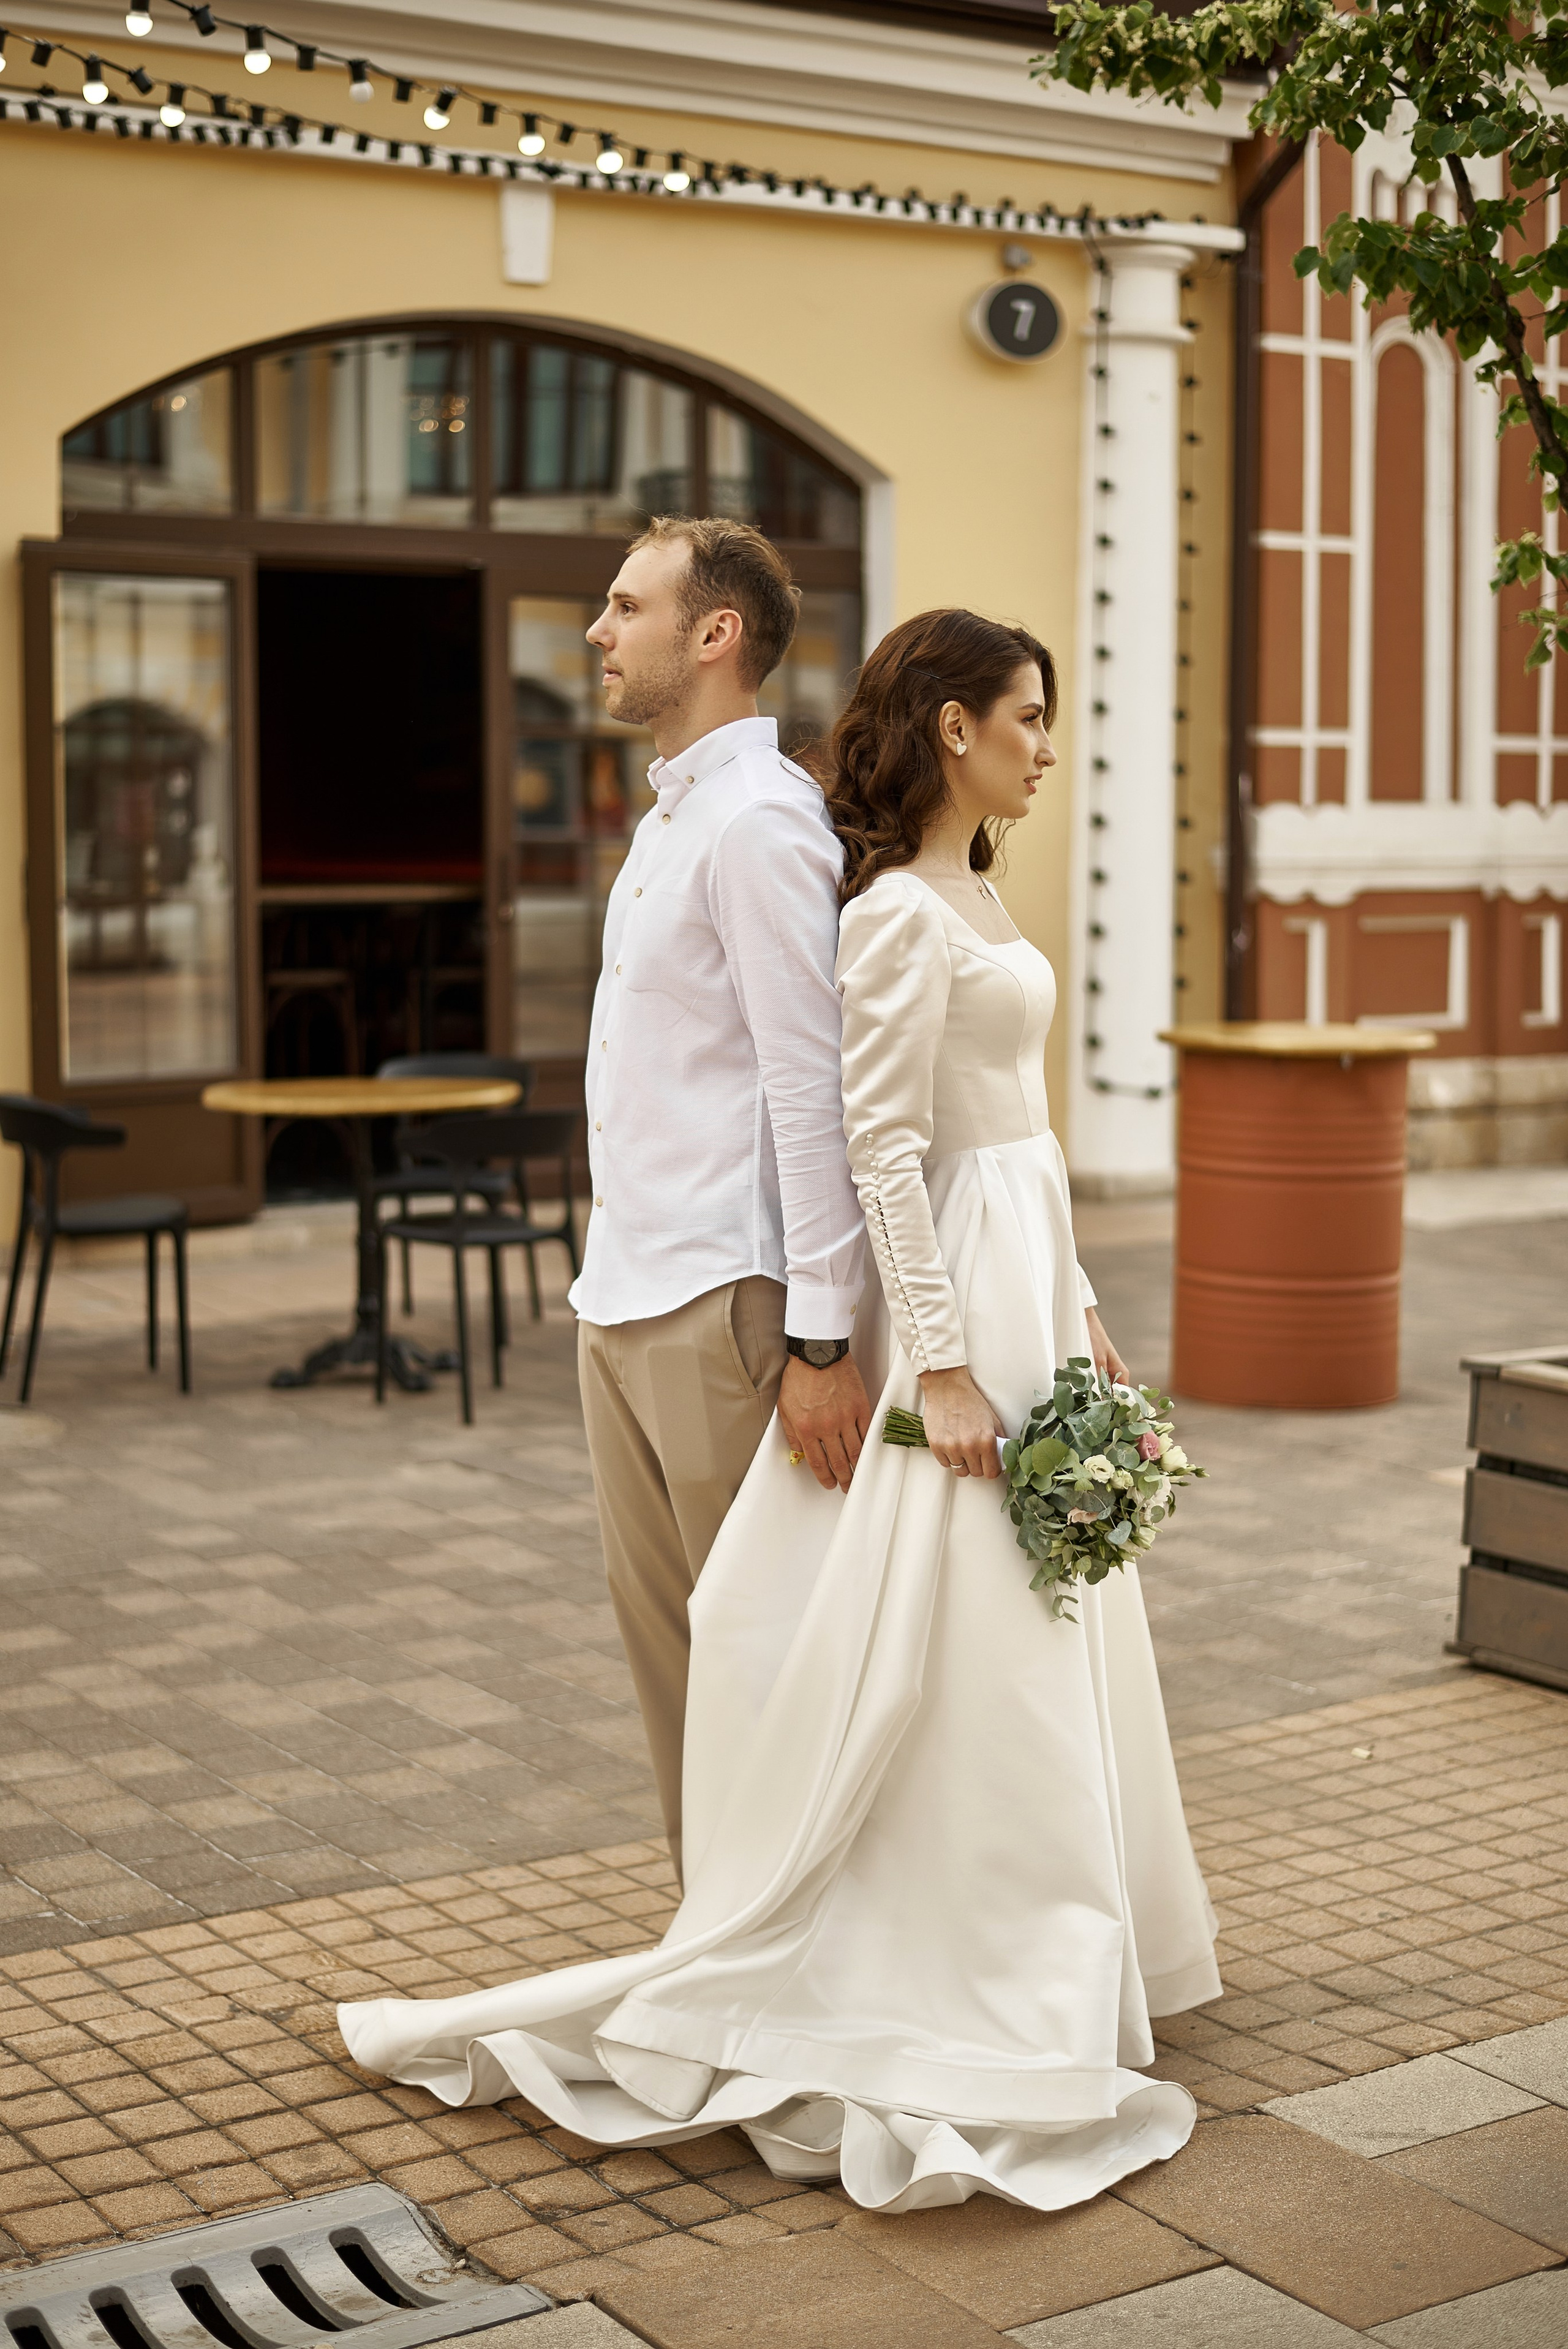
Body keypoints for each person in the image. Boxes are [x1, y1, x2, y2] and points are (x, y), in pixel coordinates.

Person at [341, 607, 1220, 2216]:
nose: (1045, 741)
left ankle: (1076, 1916)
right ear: (954, 728)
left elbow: (1020, 1123)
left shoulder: (979, 884)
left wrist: (1081, 1309)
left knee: (1040, 1596)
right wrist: (937, 1362)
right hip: (954, 1286)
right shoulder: (886, 911)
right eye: (1027, 715)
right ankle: (942, 1928)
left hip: (1025, 1277)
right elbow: (882, 1141)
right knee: (950, 1606)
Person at [565, 516, 870, 1885]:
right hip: (622, 1291)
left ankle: (794, 1954)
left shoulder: (756, 824)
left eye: (625, 606)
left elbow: (814, 1095)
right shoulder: (673, 812)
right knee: (674, 1670)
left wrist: (818, 1343)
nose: (597, 629)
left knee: (763, 1660)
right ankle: (715, 1946)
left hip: (724, 1310)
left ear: (713, 635)